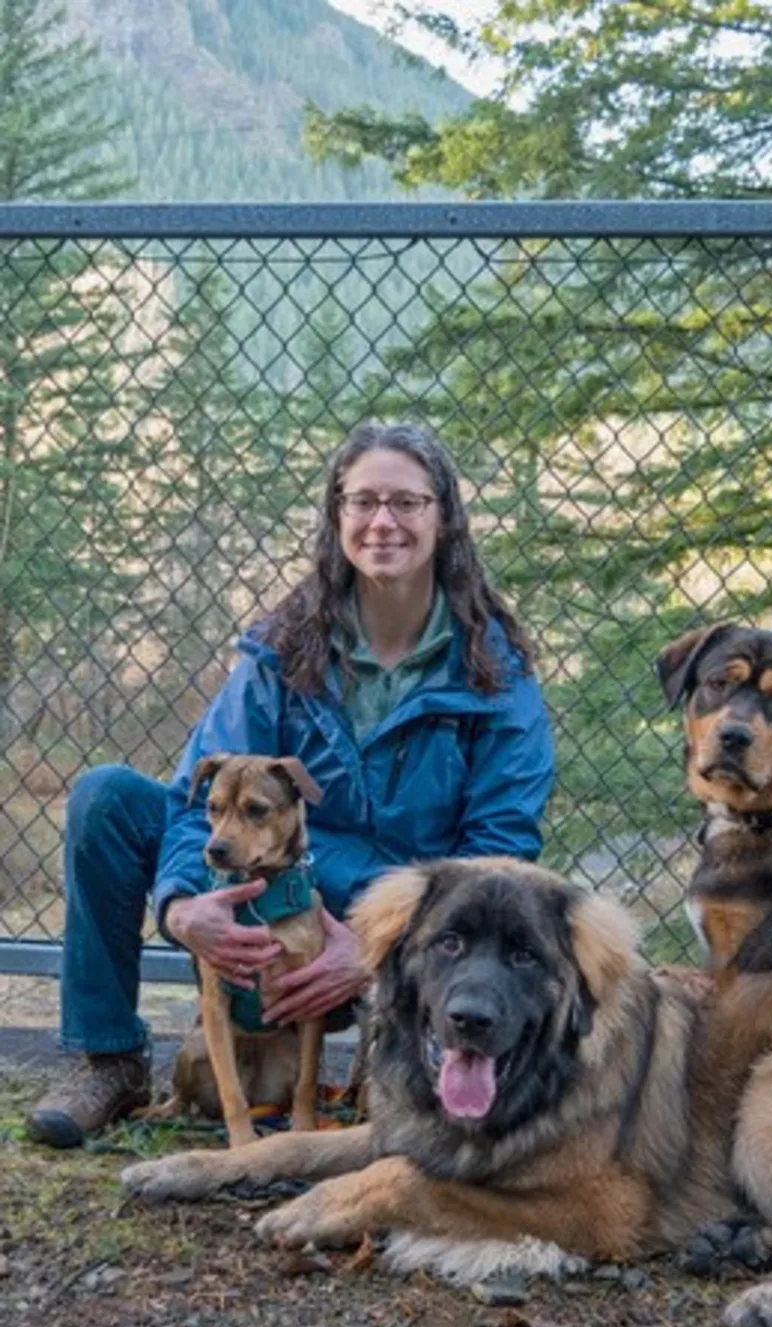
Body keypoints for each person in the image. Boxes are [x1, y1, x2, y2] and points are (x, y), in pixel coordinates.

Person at [28, 421, 555, 1147]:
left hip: (401, 920)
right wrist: (182, 905)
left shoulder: (496, 672)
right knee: (108, 799)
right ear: (336, 514)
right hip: (271, 893)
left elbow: (498, 854)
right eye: (362, 500)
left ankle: (402, 1054)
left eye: (407, 502)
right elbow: (195, 799)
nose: (382, 521)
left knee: (428, 1137)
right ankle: (109, 1059)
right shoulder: (282, 648)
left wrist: (376, 951)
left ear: (445, 517)